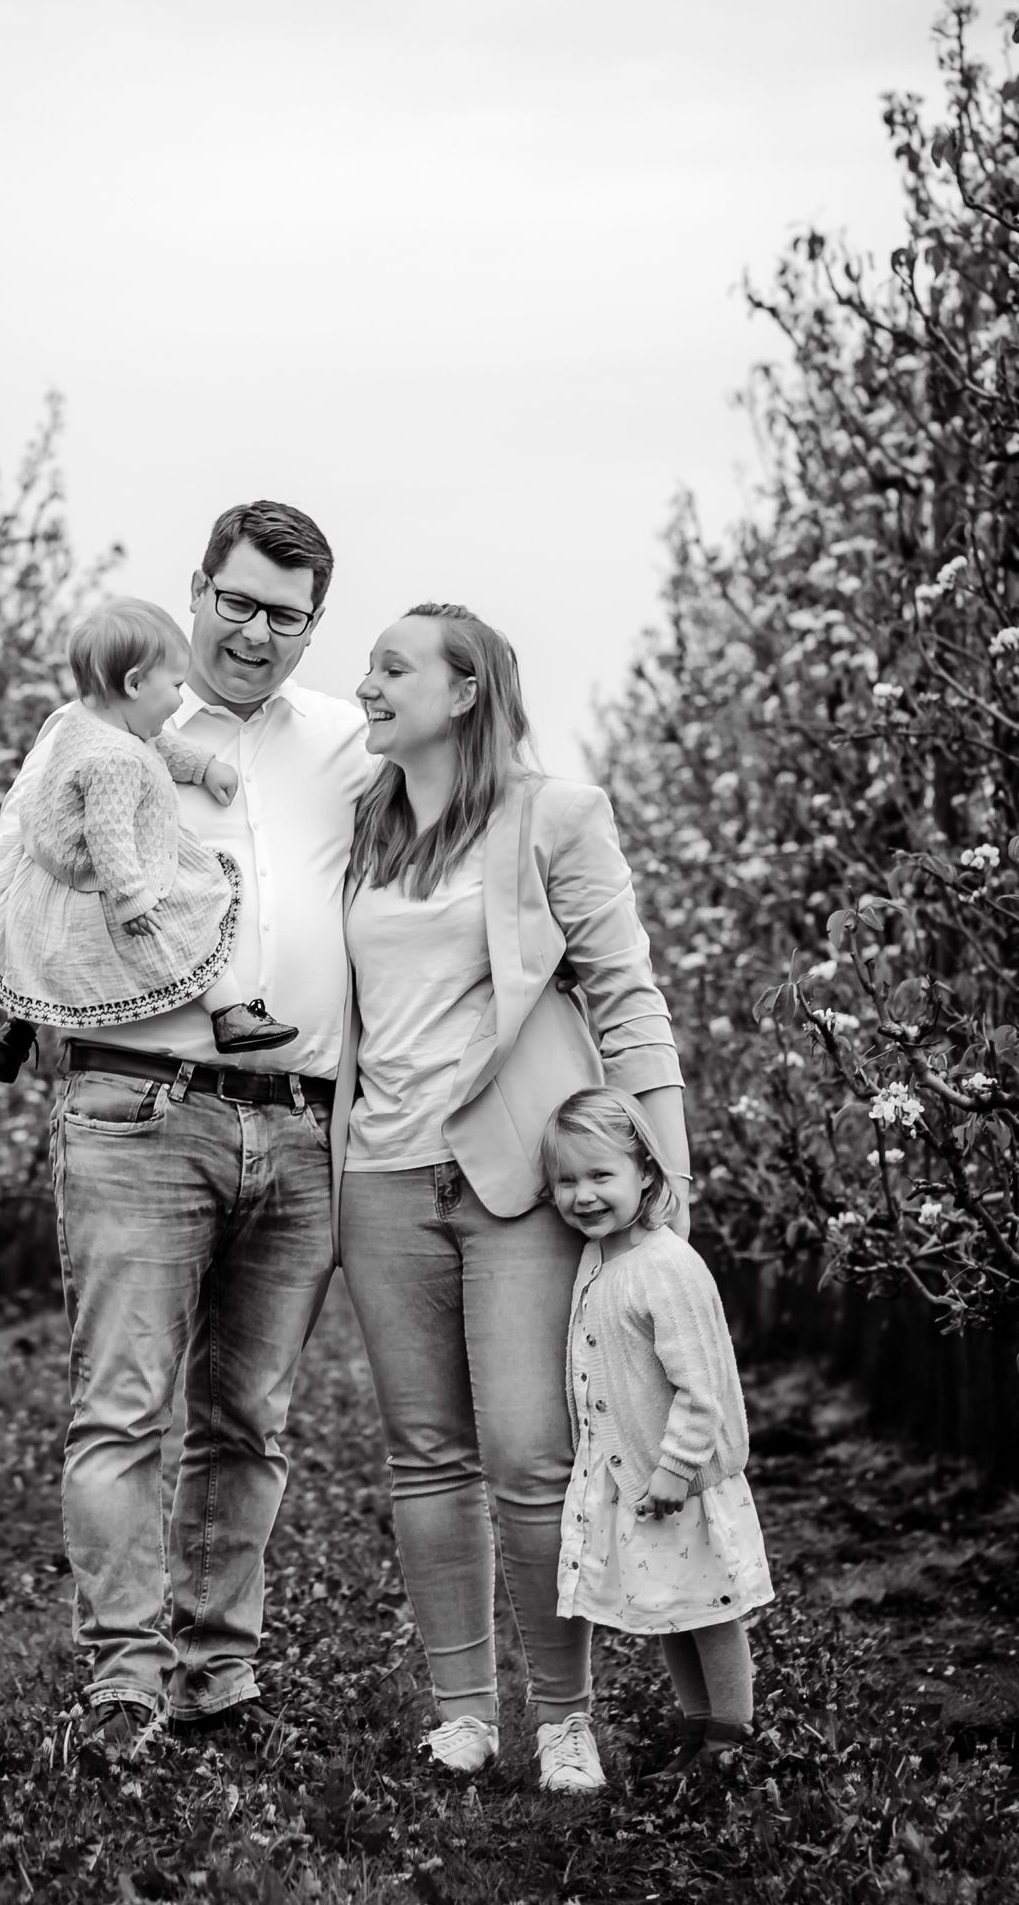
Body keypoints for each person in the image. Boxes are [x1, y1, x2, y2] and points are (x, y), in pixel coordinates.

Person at [0, 502, 373, 1749]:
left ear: (313, 626)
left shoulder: (351, 743)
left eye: (285, 615)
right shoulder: (102, 728)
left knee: (251, 1419)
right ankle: (124, 1682)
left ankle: (218, 1670)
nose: (255, 631)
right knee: (123, 1407)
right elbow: (6, 879)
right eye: (237, 601)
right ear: (197, 588)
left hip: (300, 1124)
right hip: (138, 1105)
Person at [333, 602, 690, 1795]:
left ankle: (566, 1719)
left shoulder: (552, 817)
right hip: (380, 1175)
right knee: (424, 1455)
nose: (366, 683)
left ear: (466, 688)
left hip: (514, 1179)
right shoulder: (362, 824)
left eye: (391, 667)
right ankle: (461, 1714)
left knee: (532, 1457)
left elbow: (627, 999)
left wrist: (667, 1178)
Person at [540, 1086, 774, 1776]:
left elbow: (702, 1389)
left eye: (600, 1175)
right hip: (641, 1480)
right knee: (672, 1606)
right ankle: (697, 1731)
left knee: (709, 1610)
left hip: (681, 1480)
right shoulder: (601, 1257)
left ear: (646, 1171)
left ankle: (731, 1738)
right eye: (565, 1180)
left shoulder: (664, 1267)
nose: (582, 1195)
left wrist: (674, 1472)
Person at [0, 596, 297, 1069]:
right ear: (135, 683)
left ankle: (16, 1033)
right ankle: (229, 1013)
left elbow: (157, 743)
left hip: (48, 868)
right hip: (104, 874)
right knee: (186, 924)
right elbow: (109, 833)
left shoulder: (83, 720)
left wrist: (203, 767)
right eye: (176, 686)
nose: (181, 699)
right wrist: (132, 898)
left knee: (41, 954)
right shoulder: (115, 761)